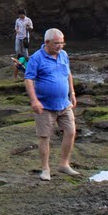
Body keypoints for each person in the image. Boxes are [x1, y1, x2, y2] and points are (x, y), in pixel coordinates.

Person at [24, 28, 79, 181]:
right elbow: (28, 80)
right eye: (57, 43)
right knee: (44, 136)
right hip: (45, 106)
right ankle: (45, 169)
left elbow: (68, 74)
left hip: (64, 103)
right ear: (47, 42)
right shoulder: (36, 58)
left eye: (62, 43)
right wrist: (34, 100)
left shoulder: (64, 55)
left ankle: (64, 164)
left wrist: (72, 93)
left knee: (71, 131)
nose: (60, 46)